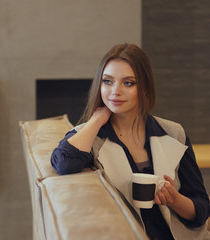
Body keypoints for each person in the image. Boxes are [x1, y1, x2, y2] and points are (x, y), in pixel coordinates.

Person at [51, 43, 209, 240]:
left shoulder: (173, 132)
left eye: (128, 83)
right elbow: (65, 163)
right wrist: (97, 119)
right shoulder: (89, 138)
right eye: (107, 81)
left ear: (144, 88)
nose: (115, 91)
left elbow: (201, 209)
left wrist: (174, 200)